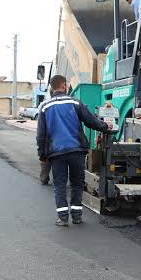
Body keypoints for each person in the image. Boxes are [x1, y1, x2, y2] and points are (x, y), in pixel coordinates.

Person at [37, 75, 113, 226]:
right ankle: (77, 216)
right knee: (77, 183)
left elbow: (41, 134)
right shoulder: (75, 103)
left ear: (52, 88)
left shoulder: (45, 107)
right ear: (64, 86)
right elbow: (91, 121)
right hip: (76, 150)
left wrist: (42, 155)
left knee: (59, 184)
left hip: (56, 153)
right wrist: (106, 127)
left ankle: (63, 218)